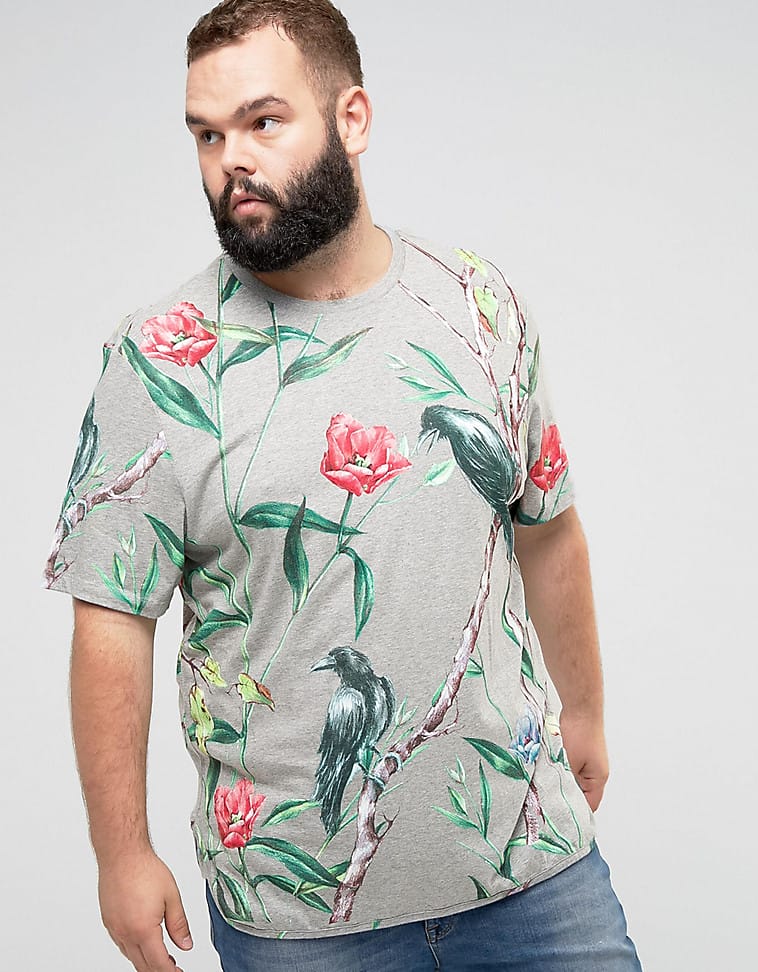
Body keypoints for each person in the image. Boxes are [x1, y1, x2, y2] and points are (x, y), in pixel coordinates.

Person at [41, 1, 643, 969]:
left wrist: (584, 710)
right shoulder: (159, 361)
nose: (231, 160)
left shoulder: (477, 305)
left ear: (351, 119)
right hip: (300, 920)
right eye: (207, 134)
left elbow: (548, 528)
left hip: (534, 870)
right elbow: (111, 619)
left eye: (262, 121)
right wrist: (122, 853)